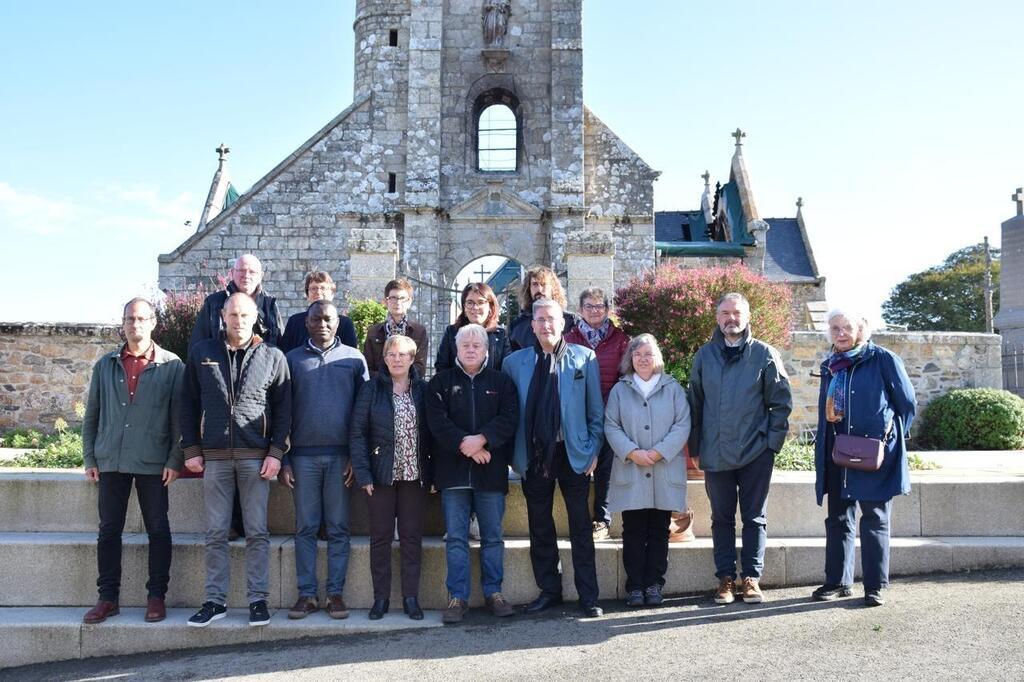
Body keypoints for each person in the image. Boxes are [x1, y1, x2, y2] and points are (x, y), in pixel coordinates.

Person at [180, 292, 291, 628]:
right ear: (223, 317)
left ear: (256, 317)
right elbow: (186, 404)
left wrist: (276, 452)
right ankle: (215, 601)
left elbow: (285, 409)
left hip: (256, 458)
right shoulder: (202, 353)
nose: (239, 321)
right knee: (215, 532)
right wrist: (191, 449)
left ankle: (259, 600)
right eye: (233, 315)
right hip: (213, 458)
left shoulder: (272, 355)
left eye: (245, 315)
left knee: (257, 531)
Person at [81, 298, 184, 625]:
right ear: (123, 323)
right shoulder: (106, 365)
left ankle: (156, 596)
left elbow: (179, 420)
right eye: (129, 319)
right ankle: (107, 598)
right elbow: (92, 415)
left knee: (158, 529)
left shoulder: (172, 365)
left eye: (141, 318)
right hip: (111, 459)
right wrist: (89, 456)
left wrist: (174, 459)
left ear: (153, 323)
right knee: (108, 530)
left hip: (154, 461)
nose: (135, 324)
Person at [687, 292, 792, 605]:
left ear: (747, 318)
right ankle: (725, 578)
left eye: (736, 313)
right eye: (725, 313)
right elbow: (696, 403)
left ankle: (751, 578)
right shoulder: (705, 355)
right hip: (716, 452)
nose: (731, 319)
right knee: (721, 519)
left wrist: (771, 445)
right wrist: (695, 447)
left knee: (754, 517)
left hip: (755, 452)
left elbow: (781, 403)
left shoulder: (765, 354)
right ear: (717, 318)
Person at [503, 298, 604, 618]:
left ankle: (589, 596)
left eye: (552, 319)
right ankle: (550, 590)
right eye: (540, 319)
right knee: (540, 525)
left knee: (580, 527)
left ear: (563, 324)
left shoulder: (584, 358)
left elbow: (595, 413)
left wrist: (593, 449)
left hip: (572, 453)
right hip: (533, 455)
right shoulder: (514, 363)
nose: (546, 325)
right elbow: (509, 413)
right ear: (532, 325)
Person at [812, 310, 916, 607]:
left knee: (874, 520)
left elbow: (906, 405)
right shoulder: (830, 364)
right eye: (835, 328)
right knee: (838, 519)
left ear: (861, 330)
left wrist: (889, 440)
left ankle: (875, 586)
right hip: (837, 451)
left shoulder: (883, 359)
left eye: (847, 328)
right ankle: (838, 581)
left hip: (873, 454)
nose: (841, 333)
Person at [280, 301, 369, 620]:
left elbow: (363, 414)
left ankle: (335, 594)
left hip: (340, 459)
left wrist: (355, 458)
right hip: (301, 458)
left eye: (328, 319)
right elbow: (281, 413)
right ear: (306, 323)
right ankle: (306, 595)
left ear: (338, 322)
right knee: (305, 527)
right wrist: (284, 458)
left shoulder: (354, 359)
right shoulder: (290, 360)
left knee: (338, 528)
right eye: (315, 319)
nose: (322, 324)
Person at [427, 324, 519, 623]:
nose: (470, 349)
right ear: (455, 348)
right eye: (464, 344)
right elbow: (437, 423)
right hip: (452, 474)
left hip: (490, 472)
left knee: (492, 537)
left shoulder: (501, 382)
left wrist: (483, 439)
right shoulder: (440, 383)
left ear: (486, 349)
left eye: (476, 345)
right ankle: (457, 598)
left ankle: (494, 592)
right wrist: (465, 445)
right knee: (456, 538)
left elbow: (509, 418)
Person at [350, 334, 432, 620]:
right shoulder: (371, 389)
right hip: (381, 476)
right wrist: (364, 474)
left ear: (412, 359)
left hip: (415, 477)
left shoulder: (423, 390)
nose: (397, 359)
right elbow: (357, 433)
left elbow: (433, 434)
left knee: (411, 538)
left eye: (402, 355)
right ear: (384, 358)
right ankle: (380, 599)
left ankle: (411, 598)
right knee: (381, 538)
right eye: (391, 354)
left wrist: (432, 475)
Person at [604, 334, 691, 607]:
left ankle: (654, 584)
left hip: (664, 470)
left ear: (658, 358)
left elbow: (682, 424)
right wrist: (632, 452)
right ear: (630, 358)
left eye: (649, 354)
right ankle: (635, 587)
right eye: (638, 354)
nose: (643, 359)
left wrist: (657, 452)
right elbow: (611, 426)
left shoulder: (673, 388)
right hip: (631, 469)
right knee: (632, 531)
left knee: (658, 530)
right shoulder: (620, 390)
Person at [563, 286, 629, 540]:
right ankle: (579, 521)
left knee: (605, 469)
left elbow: (625, 377)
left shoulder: (621, 339)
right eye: (589, 306)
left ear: (607, 310)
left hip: (610, 411)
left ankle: (602, 519)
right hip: (578, 415)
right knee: (579, 466)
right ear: (580, 310)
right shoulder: (568, 340)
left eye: (599, 306)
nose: (594, 311)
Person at [190, 253, 284, 348]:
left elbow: (281, 346)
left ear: (260, 276)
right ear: (232, 273)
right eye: (242, 270)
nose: (246, 275)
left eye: (252, 272)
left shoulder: (270, 305)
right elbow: (197, 345)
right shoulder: (214, 303)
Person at [434, 282, 511, 373]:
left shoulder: (501, 335)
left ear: (490, 307)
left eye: (481, 302)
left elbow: (507, 369)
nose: (475, 307)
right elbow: (442, 367)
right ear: (464, 307)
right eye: (470, 302)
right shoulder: (452, 332)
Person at [279, 271, 358, 354]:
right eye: (313, 288)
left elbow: (351, 355)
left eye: (323, 288)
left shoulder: (344, 324)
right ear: (307, 295)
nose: (318, 292)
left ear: (332, 294)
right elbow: (285, 354)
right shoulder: (295, 322)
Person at [363, 278, 429, 376]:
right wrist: (387, 379)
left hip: (409, 387)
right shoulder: (374, 332)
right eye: (393, 298)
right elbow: (368, 367)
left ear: (409, 302)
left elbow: (420, 367)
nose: (397, 302)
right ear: (386, 301)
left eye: (402, 298)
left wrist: (401, 378)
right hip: (379, 386)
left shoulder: (419, 331)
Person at [507, 266, 576, 351]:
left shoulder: (572, 322)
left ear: (553, 288)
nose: (539, 289)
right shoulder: (517, 327)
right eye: (535, 284)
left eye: (543, 284)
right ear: (529, 289)